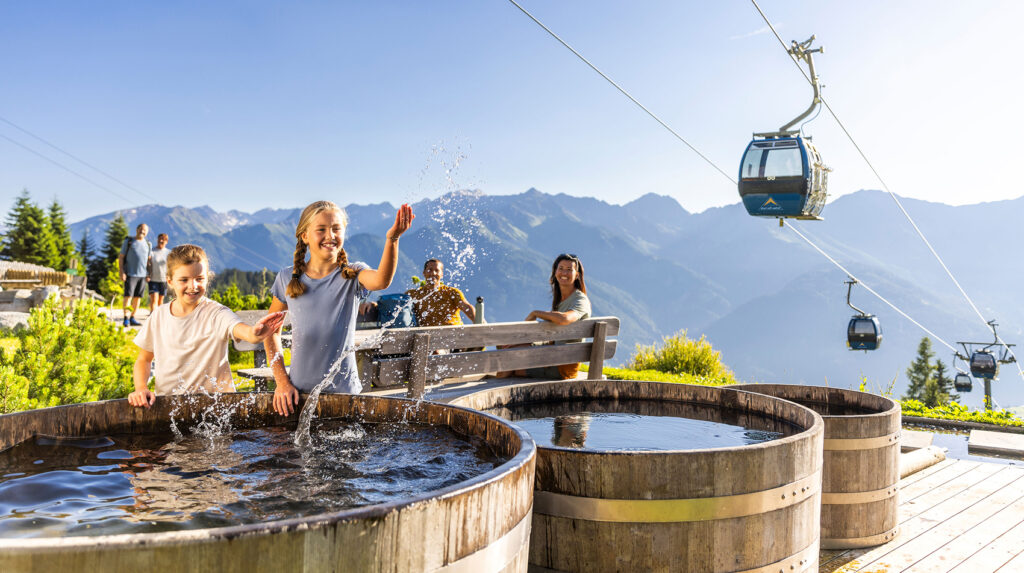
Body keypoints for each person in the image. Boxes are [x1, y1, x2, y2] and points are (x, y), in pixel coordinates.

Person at [267, 200, 414, 416]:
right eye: (321, 229)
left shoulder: (353, 274)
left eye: (336, 228)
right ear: (305, 236)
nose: (330, 235)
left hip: (346, 396)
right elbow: (270, 331)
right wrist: (282, 382)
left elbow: (381, 281)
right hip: (297, 395)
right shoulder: (286, 277)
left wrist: (392, 239)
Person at [128, 244, 285, 408]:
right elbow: (144, 360)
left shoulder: (216, 313)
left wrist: (255, 333)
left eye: (199, 279)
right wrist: (141, 388)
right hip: (169, 409)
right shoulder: (158, 316)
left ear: (207, 278)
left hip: (217, 410)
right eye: (184, 280)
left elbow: (242, 330)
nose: (193, 286)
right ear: (170, 281)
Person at [498, 253, 592, 380]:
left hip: (562, 366)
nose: (564, 273)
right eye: (561, 268)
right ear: (555, 272)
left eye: (569, 270)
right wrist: (520, 340)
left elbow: (564, 319)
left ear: (577, 275)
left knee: (509, 359)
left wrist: (535, 313)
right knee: (507, 345)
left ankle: (492, 386)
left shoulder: (580, 300)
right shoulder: (562, 300)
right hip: (552, 355)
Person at [405, 259, 475, 326]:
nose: (433, 273)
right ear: (424, 273)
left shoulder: (452, 292)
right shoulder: (413, 294)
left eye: (437, 270)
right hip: (426, 336)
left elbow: (467, 307)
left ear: (442, 274)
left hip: (454, 334)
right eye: (430, 270)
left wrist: (482, 325)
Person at [119, 223, 151, 327]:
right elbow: (121, 257)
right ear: (137, 230)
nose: (142, 231)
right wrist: (122, 272)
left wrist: (148, 273)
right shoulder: (129, 241)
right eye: (141, 229)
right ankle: (126, 318)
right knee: (128, 296)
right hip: (130, 274)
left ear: (147, 232)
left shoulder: (148, 244)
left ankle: (132, 317)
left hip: (142, 275)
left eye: (145, 230)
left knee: (138, 298)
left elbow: (149, 261)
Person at [147, 233, 171, 310]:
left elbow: (171, 266)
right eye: (159, 239)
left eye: (163, 239)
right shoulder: (152, 251)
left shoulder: (169, 253)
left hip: (164, 280)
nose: (161, 241)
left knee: (160, 301)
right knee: (154, 299)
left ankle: (158, 317)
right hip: (153, 279)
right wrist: (147, 274)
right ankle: (152, 317)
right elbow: (148, 264)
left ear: (166, 241)